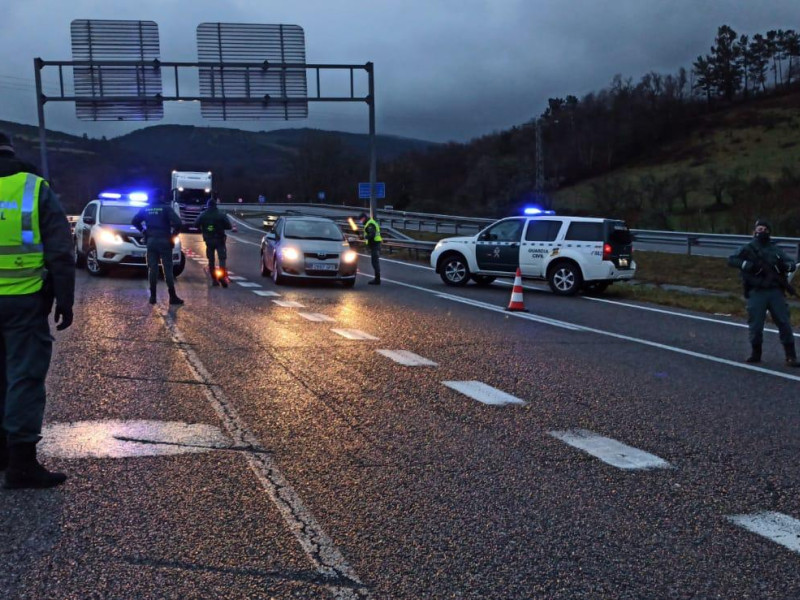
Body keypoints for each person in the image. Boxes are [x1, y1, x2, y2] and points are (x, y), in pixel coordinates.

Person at [0, 131, 74, 489]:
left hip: (21, 301)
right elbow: (60, 249)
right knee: (24, 377)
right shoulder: (32, 188)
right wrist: (65, 298)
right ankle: (21, 464)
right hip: (22, 301)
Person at [728, 219, 799, 366]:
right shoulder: (748, 248)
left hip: (775, 291)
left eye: (765, 229)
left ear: (769, 231)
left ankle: (791, 356)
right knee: (756, 324)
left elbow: (791, 264)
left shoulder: (775, 249)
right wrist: (749, 266)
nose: (761, 232)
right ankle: (756, 353)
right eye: (759, 229)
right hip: (756, 291)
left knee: (784, 322)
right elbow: (731, 260)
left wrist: (785, 266)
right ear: (755, 231)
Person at [132, 189, 184, 305]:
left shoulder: (146, 209)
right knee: (168, 269)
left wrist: (144, 231)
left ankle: (153, 296)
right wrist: (173, 236)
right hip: (164, 240)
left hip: (151, 241)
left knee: (152, 268)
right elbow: (178, 223)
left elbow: (135, 221)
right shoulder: (166, 208)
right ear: (161, 196)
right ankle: (172, 296)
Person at [194, 192, 232, 287]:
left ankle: (214, 279)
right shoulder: (221, 214)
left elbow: (195, 224)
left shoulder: (203, 215)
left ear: (207, 206)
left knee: (211, 260)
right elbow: (229, 226)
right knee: (222, 258)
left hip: (209, 240)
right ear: (215, 205)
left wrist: (204, 228)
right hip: (220, 239)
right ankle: (222, 276)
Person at [359, 212, 382, 285]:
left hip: (375, 244)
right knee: (375, 261)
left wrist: (364, 237)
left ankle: (377, 280)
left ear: (364, 218)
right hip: (375, 244)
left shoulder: (370, 224)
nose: (361, 221)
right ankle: (377, 279)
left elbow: (372, 234)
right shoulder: (369, 223)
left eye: (361, 219)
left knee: (375, 262)